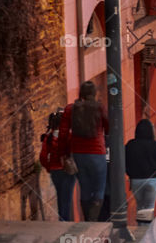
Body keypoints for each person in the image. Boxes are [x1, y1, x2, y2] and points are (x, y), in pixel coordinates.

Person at [59, 80, 108, 222]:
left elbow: (63, 133)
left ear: (81, 93)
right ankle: (94, 220)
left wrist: (64, 153)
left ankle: (87, 220)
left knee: (84, 188)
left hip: (78, 154)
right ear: (94, 93)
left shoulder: (71, 109)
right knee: (99, 189)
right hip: (97, 153)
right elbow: (109, 127)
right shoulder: (100, 108)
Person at [125, 118, 156, 221]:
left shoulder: (130, 145)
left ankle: (141, 228)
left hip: (136, 180)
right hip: (152, 179)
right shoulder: (155, 144)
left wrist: (129, 173)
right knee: (149, 207)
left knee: (140, 206)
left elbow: (125, 162)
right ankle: (146, 229)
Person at [40, 110, 74, 221]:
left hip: (55, 171)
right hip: (67, 171)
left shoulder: (48, 138)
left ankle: (62, 219)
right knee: (67, 198)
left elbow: (43, 157)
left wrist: (49, 168)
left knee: (60, 196)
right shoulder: (69, 135)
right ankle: (65, 221)